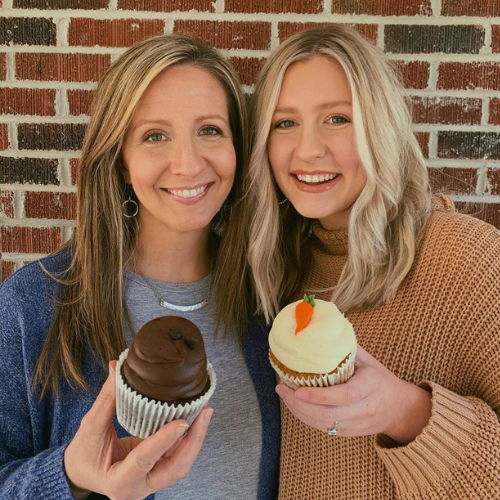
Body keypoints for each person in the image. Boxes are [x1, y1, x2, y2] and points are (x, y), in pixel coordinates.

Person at [0, 34, 279, 500]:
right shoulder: (32, 305)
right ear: (120, 161)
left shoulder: (270, 300)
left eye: (210, 130)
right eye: (155, 136)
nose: (188, 164)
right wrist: (70, 476)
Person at [247, 25, 500, 499]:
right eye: (285, 123)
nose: (307, 150)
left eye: (338, 119)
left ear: (380, 126)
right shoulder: (277, 271)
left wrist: (406, 413)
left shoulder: (468, 260)